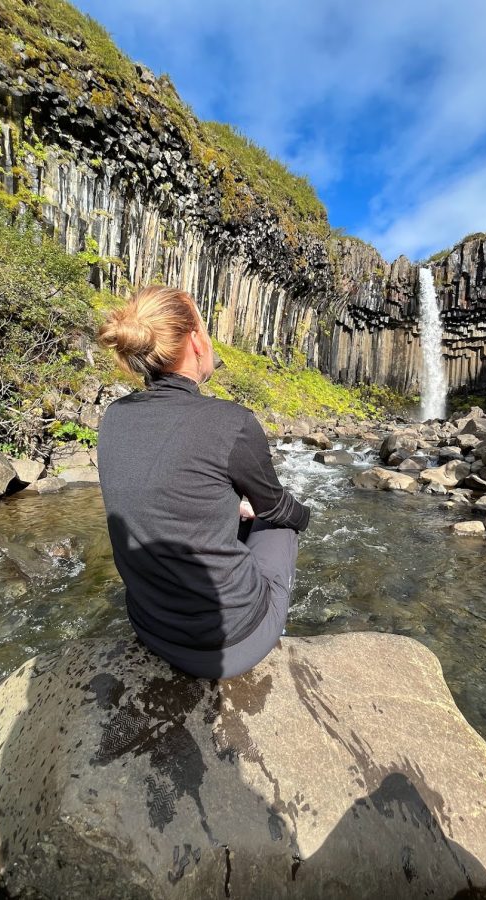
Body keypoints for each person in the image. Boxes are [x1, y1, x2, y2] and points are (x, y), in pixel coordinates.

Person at [96, 285, 310, 679]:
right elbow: (278, 507)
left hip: (150, 629)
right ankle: (273, 625)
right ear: (196, 339)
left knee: (240, 510)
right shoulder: (230, 421)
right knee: (281, 522)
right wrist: (302, 513)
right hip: (230, 645)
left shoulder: (114, 416)